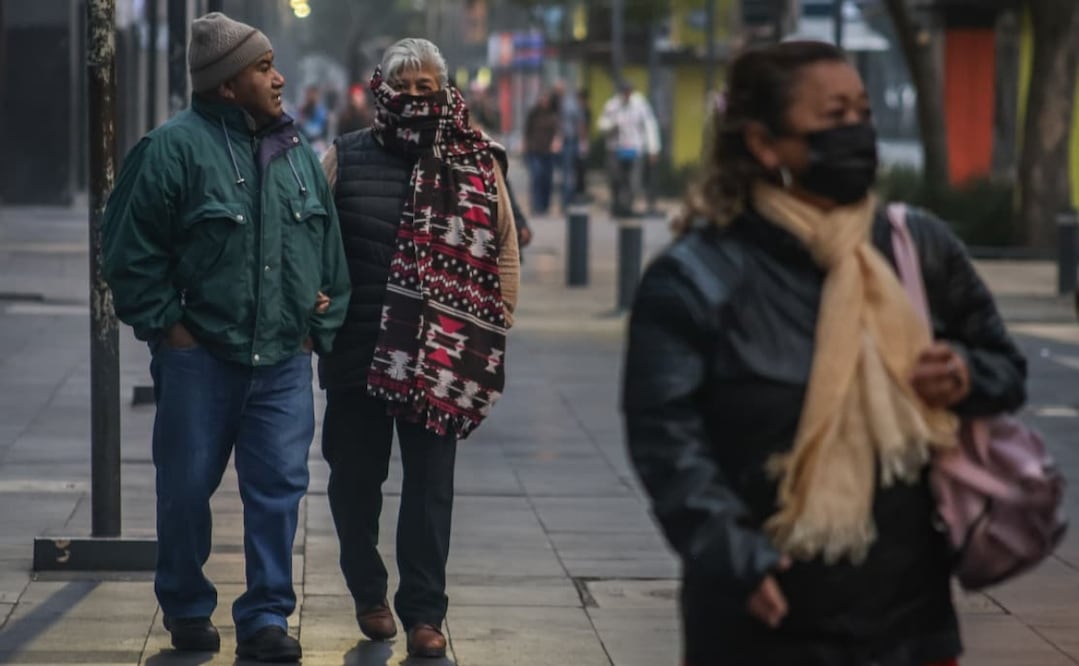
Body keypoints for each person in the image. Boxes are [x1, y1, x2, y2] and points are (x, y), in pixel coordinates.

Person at [622, 41, 1026, 666]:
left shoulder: (915, 248)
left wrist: (967, 373)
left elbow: (1004, 367)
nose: (858, 133)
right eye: (834, 118)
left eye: (861, 114)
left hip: (911, 616)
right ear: (764, 144)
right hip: (764, 614)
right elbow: (665, 440)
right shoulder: (696, 276)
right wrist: (734, 556)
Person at [102, 12, 351, 663]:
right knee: (184, 490)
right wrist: (170, 330)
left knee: (279, 492)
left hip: (282, 364)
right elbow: (129, 253)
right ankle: (186, 605)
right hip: (200, 361)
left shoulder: (295, 153)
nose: (280, 77)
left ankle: (266, 616)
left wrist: (314, 328)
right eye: (264, 67)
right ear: (226, 83)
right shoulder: (170, 150)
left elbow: (327, 250)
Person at [317, 38, 520, 659]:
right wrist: (317, 307)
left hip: (442, 357)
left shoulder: (478, 162)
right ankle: (369, 592)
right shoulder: (344, 158)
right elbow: (315, 242)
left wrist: (492, 324)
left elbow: (503, 249)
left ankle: (425, 611)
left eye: (424, 87)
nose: (412, 97)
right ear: (382, 88)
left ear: (444, 91)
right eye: (402, 86)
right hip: (360, 352)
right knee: (354, 482)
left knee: (431, 489)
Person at [597, 81, 660, 217]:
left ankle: (627, 207)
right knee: (616, 179)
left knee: (633, 181)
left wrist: (653, 148)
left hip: (634, 149)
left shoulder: (640, 104)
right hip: (615, 149)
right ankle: (617, 205)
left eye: (629, 92)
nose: (626, 94)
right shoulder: (612, 105)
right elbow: (601, 124)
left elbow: (650, 126)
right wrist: (611, 125)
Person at [523, 90, 560, 215]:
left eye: (546, 99)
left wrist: (556, 141)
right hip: (534, 150)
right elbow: (527, 131)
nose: (544, 101)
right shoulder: (534, 113)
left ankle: (545, 205)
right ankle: (536, 205)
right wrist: (525, 145)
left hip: (548, 152)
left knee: (547, 180)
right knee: (537, 176)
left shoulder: (553, 115)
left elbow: (558, 132)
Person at [298, 83, 330, 151]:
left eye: (312, 94)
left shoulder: (322, 112)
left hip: (317, 146)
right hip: (304, 145)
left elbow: (323, 131)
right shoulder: (302, 111)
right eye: (308, 94)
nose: (310, 97)